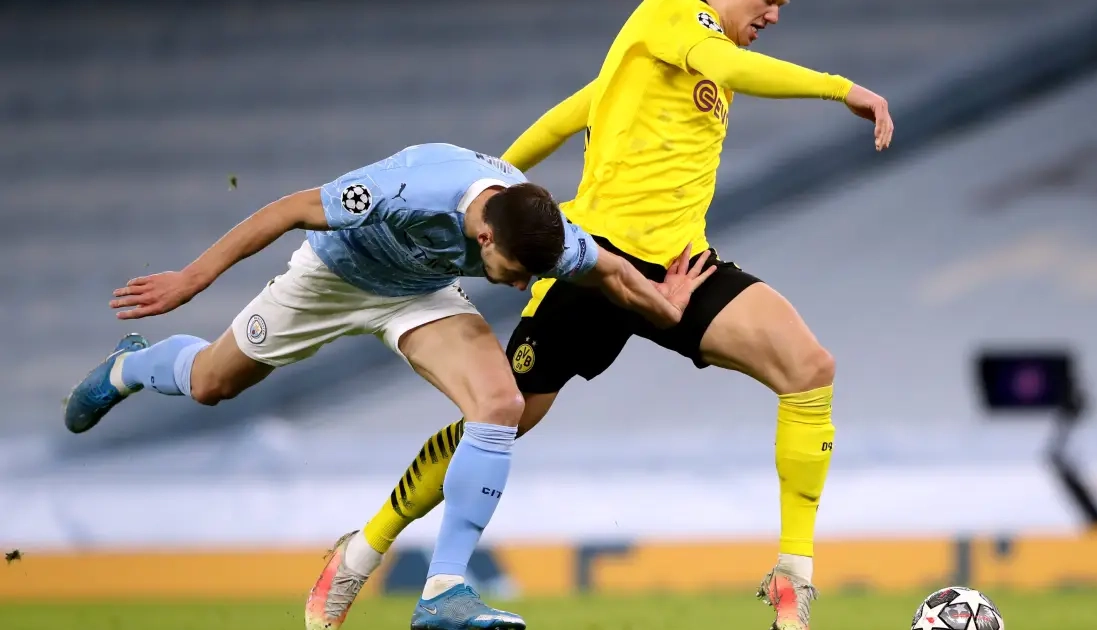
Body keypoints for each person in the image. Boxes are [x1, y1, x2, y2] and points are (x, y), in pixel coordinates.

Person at [307, 0, 896, 627]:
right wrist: (843, 90)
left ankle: (792, 580)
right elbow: (692, 76)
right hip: (594, 262)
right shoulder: (675, 16)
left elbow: (569, 116)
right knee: (502, 418)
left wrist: (493, 187)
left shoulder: (673, 60)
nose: (775, 15)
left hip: (678, 271)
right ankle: (360, 552)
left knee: (809, 368)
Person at [62, 142, 715, 630]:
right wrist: (192, 279)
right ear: (484, 234)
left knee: (500, 404)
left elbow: (614, 275)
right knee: (209, 383)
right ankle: (130, 366)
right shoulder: (411, 189)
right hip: (333, 279)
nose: (521, 286)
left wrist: (669, 307)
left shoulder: (544, 234)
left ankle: (444, 590)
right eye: (515, 271)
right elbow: (292, 209)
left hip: (419, 294)